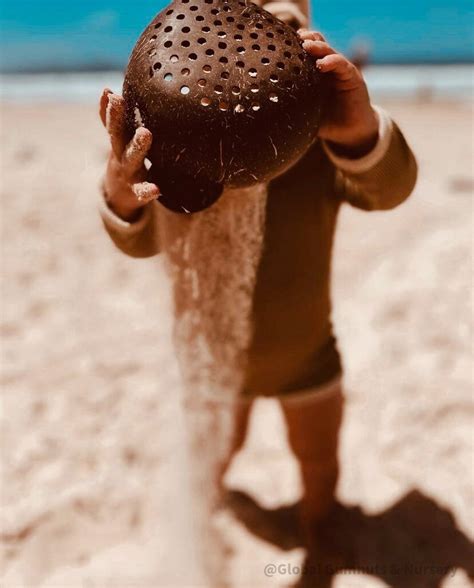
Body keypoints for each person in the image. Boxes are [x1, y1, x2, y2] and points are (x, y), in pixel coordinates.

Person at [98, 0, 417, 582]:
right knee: (218, 449)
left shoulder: (322, 150)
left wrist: (359, 131)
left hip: (308, 353)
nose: (265, 40)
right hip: (221, 360)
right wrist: (122, 190)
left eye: (288, 26)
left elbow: (389, 189)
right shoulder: (189, 159)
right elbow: (141, 241)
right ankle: (208, 509)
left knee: (318, 460)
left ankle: (320, 522)